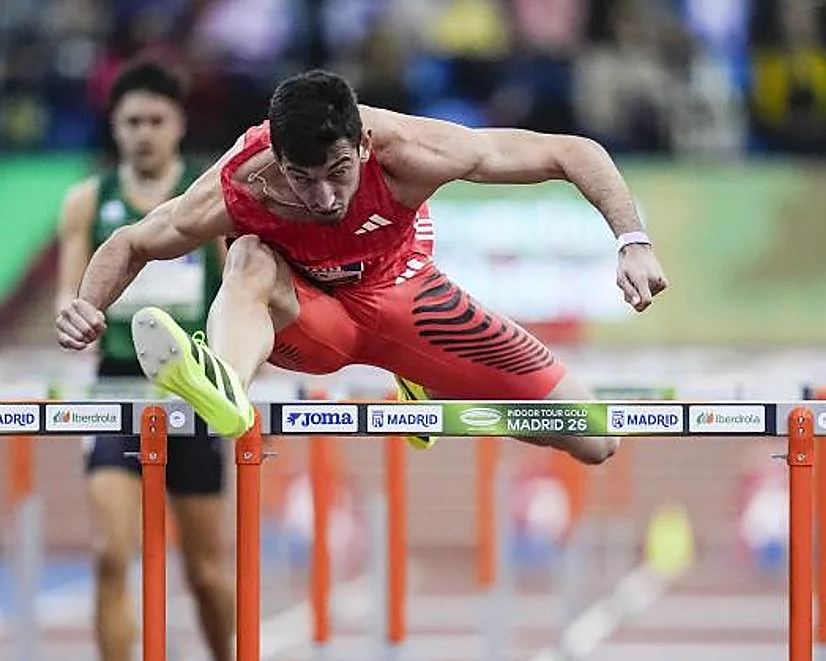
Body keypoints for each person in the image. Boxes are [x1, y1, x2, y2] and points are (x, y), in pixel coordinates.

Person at [55, 68, 670, 466]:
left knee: (595, 439)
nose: (323, 197)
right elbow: (133, 241)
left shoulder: (411, 149)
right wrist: (89, 302)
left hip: (405, 297)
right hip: (310, 320)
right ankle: (230, 392)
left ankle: (427, 384)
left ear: (364, 147)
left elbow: (570, 151)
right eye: (303, 178)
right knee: (246, 256)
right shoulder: (240, 183)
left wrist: (632, 238)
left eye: (338, 172)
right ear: (276, 158)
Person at [55, 60, 237, 661]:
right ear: (115, 126)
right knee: (107, 554)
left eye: (156, 121)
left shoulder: (212, 196)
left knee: (205, 573)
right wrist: (69, 317)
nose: (143, 134)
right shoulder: (86, 201)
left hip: (193, 397)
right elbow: (72, 296)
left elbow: (238, 290)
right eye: (131, 121)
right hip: (114, 392)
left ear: (179, 125)